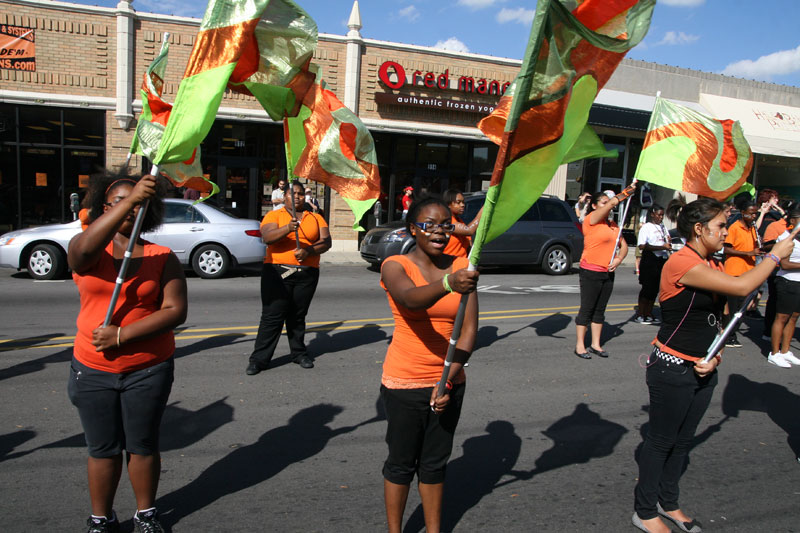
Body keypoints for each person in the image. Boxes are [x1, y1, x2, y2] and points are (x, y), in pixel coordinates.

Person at [632, 198, 796, 533]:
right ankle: (645, 511)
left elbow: (713, 324)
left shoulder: (711, 263)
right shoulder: (681, 262)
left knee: (683, 441)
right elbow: (741, 285)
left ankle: (669, 502)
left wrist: (716, 356)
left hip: (703, 368)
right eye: (721, 226)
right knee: (661, 441)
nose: (726, 233)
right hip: (671, 369)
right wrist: (776, 254)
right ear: (699, 228)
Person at [67, 172, 188, 533]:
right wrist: (130, 198)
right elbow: (80, 255)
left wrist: (121, 335)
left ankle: (145, 513)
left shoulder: (161, 256)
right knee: (102, 448)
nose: (129, 209)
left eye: (137, 204)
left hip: (147, 370)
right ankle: (101, 518)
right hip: (91, 371)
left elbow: (174, 312)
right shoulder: (88, 248)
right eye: (118, 202)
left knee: (142, 445)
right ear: (103, 208)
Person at [379, 196, 479, 533]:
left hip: (449, 382)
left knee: (435, 464)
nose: (439, 231)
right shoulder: (395, 265)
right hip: (404, 383)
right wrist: (449, 284)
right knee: (401, 464)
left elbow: (468, 332)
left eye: (445, 225)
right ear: (413, 229)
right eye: (429, 225)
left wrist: (447, 382)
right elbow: (410, 299)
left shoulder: (462, 264)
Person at [247, 181, 331, 374]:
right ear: (284, 196)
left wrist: (308, 251)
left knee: (297, 316)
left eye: (301, 194)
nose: (297, 197)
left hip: (307, 273)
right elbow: (267, 238)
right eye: (293, 194)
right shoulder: (274, 215)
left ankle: (299, 353)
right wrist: (287, 228)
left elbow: (326, 242)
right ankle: (259, 359)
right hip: (277, 272)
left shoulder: (315, 217)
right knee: (272, 317)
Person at [574, 185, 635, 359]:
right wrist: (623, 194)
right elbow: (609, 206)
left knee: (600, 310)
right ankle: (580, 345)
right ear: (594, 205)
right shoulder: (591, 220)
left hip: (607, 272)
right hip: (590, 270)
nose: (609, 205)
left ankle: (596, 344)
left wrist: (618, 259)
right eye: (604, 202)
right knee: (587, 308)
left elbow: (623, 246)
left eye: (609, 203)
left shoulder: (614, 225)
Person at [721, 200, 761, 348]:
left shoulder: (752, 228)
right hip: (735, 272)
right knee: (733, 308)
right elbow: (726, 249)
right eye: (751, 213)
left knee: (743, 307)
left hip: (748, 271)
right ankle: (729, 335)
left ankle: (731, 332)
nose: (754, 216)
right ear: (743, 213)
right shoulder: (735, 228)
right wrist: (748, 253)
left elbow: (754, 247)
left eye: (755, 213)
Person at [768, 208, 800, 368]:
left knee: (793, 317)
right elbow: (784, 264)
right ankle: (774, 353)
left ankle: (785, 350)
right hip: (787, 282)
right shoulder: (785, 238)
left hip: (798, 283)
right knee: (781, 317)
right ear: (793, 220)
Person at [761, 200, 795, 338]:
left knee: (791, 312)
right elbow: (766, 246)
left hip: (794, 274)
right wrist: (780, 245)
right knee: (775, 303)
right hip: (776, 269)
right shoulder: (777, 227)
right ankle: (769, 331)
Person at [634, 205, 671, 324]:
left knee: (654, 289)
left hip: (661, 260)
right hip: (650, 260)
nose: (661, 217)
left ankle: (649, 313)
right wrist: (661, 247)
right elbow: (642, 246)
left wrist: (667, 242)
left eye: (662, 215)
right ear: (652, 214)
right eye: (659, 214)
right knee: (647, 288)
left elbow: (664, 242)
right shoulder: (646, 227)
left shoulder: (663, 227)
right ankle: (641, 313)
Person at [442, 189, 482, 258]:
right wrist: (484, 210)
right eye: (458, 202)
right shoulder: (447, 221)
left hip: (461, 264)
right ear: (448, 204)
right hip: (450, 265)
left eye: (463, 202)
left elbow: (468, 245)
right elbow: (469, 230)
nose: (462, 205)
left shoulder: (459, 221)